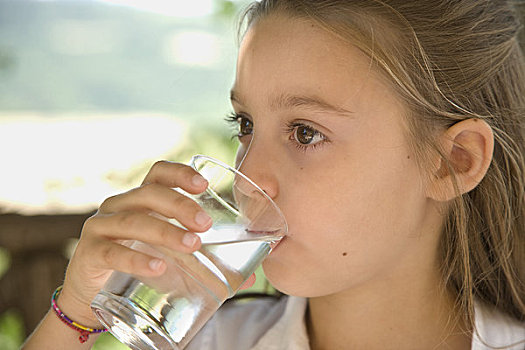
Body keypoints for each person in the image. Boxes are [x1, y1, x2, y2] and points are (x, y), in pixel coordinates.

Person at [23, 0, 525, 349]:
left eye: (305, 133)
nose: (247, 179)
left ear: (454, 161)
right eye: (245, 125)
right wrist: (73, 318)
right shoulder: (213, 342)